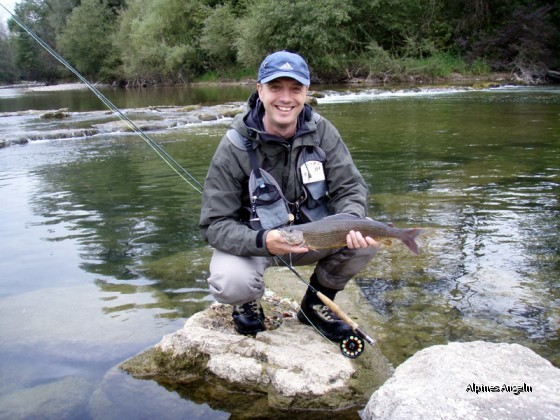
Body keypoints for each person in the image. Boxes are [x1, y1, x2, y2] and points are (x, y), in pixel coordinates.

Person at [199, 50, 379, 341]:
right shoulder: (234, 145)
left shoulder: (323, 133)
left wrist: (351, 219)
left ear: (307, 92)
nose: (286, 98)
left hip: (312, 239)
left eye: (295, 89)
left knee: (367, 236)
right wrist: (263, 241)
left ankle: (316, 303)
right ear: (260, 91)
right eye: (275, 88)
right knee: (229, 281)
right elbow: (214, 225)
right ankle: (247, 303)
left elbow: (351, 188)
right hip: (256, 245)